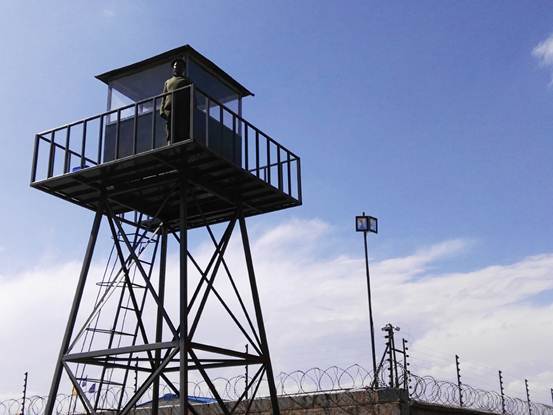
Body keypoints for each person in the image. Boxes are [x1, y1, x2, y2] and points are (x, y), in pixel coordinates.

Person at [160, 58, 192, 144]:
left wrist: (191, 108)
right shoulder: (167, 82)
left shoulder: (187, 81)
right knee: (170, 127)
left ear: (183, 68)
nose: (177, 67)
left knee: (181, 128)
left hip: (182, 109)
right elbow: (164, 96)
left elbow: (192, 96)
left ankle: (181, 145)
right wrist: (161, 110)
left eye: (180, 66)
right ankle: (170, 143)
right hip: (169, 109)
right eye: (175, 66)